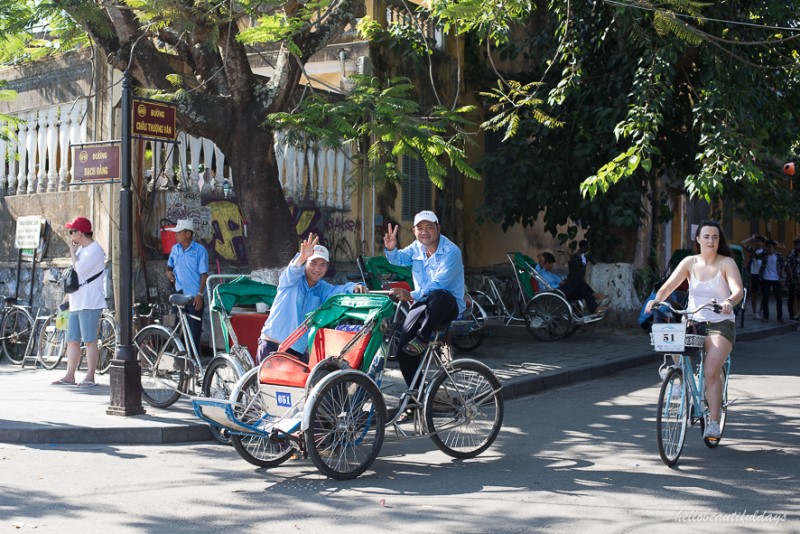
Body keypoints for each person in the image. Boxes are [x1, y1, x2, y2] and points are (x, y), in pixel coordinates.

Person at [645, 220, 744, 439]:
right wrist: (656, 301)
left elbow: (737, 290)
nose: (711, 241)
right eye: (706, 237)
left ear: (719, 241)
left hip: (720, 324)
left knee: (710, 371)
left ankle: (714, 423)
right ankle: (679, 377)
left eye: (715, 237)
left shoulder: (726, 263)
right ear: (698, 239)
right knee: (670, 335)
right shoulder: (689, 262)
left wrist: (729, 300)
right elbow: (668, 286)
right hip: (694, 321)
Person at [384, 210, 465, 388]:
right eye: (420, 228)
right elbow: (398, 259)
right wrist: (391, 249)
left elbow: (438, 284)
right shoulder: (416, 247)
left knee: (437, 295)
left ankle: (422, 338)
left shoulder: (451, 252)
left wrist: (410, 295)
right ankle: (417, 396)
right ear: (414, 231)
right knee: (403, 352)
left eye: (429, 227)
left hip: (447, 305)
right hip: (423, 304)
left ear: (438, 228)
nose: (424, 232)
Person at [257, 234, 366, 364]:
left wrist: (356, 287)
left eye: (322, 265)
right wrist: (302, 257)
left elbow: (339, 291)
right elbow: (292, 270)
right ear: (305, 263)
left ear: (326, 267)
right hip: (273, 346)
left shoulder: (323, 288)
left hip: (298, 352)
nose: (317, 269)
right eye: (313, 263)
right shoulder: (291, 280)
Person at [52, 217, 106, 387]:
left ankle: (90, 376)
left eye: (72, 232)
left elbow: (80, 269)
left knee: (89, 340)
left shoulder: (95, 250)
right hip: (76, 300)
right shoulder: (81, 250)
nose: (70, 236)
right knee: (72, 339)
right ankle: (70, 375)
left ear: (80, 233)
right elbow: (74, 275)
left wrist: (72, 253)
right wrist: (67, 296)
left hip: (90, 301)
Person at [166, 219, 209, 356]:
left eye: (179, 232)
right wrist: (169, 273)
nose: (176, 235)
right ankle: (178, 360)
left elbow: (204, 274)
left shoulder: (199, 251)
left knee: (193, 331)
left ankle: (192, 361)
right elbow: (169, 266)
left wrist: (200, 295)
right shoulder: (175, 249)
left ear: (188, 234)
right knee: (176, 330)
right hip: (179, 294)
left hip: (194, 296)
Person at [560, 239, 608, 314]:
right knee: (578, 279)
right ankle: (594, 294)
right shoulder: (577, 257)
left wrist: (563, 281)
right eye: (586, 246)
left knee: (583, 289)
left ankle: (595, 308)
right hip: (559, 291)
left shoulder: (585, 256)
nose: (588, 248)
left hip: (564, 287)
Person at [759, 239, 786, 323]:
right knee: (765, 298)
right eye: (767, 247)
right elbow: (753, 254)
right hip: (766, 278)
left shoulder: (779, 256)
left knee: (778, 299)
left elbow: (785, 265)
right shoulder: (764, 255)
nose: (769, 249)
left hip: (776, 279)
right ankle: (766, 316)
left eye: (770, 247)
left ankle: (780, 317)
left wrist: (782, 277)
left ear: (774, 248)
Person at [741, 234, 766, 319]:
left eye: (760, 242)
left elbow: (773, 245)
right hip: (754, 274)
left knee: (764, 294)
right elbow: (742, 243)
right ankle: (755, 312)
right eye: (757, 242)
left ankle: (761, 310)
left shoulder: (766, 251)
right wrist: (751, 238)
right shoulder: (752, 250)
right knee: (755, 294)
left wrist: (765, 239)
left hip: (763, 275)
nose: (758, 243)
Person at [787, 238, 800, 321]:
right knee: (795, 296)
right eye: (797, 245)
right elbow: (787, 265)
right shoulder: (792, 254)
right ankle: (794, 314)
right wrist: (791, 276)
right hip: (795, 278)